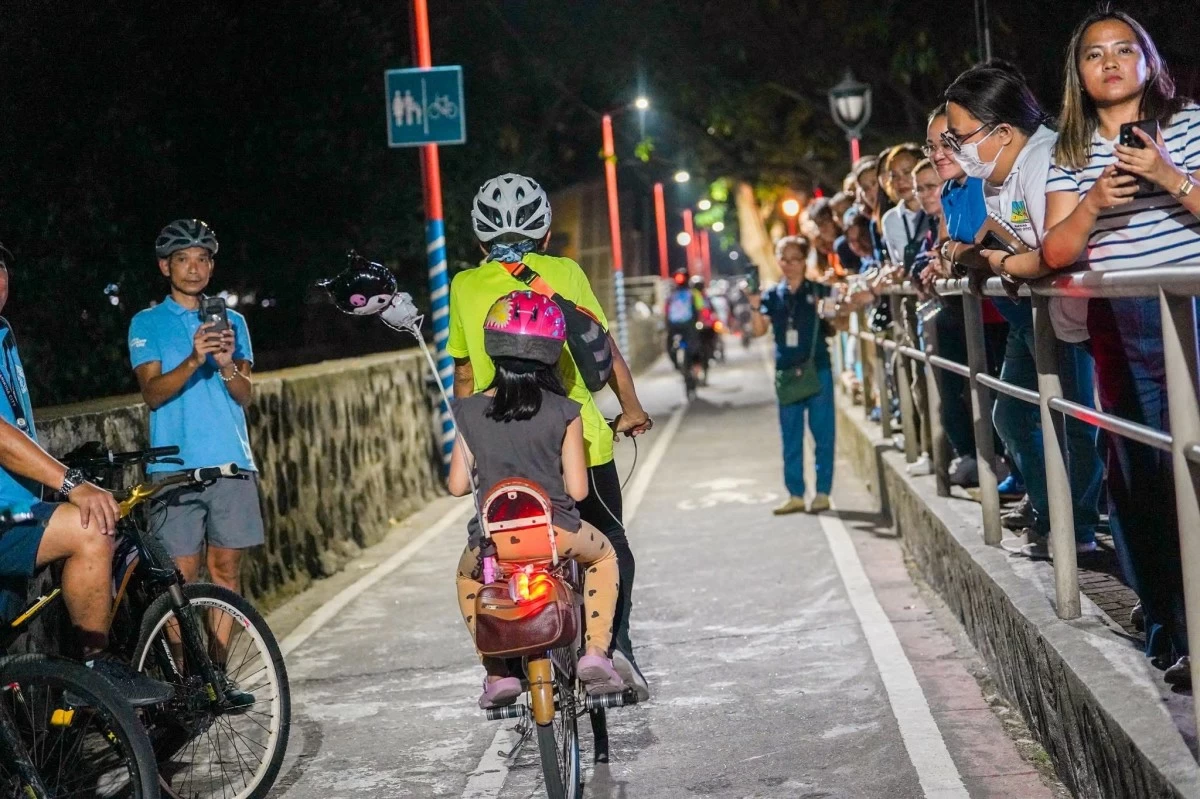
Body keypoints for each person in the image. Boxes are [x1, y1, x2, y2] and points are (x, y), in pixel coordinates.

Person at [1040, 9, 1200, 684]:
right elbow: (1055, 249)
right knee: (1138, 472)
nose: (1109, 61)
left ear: (1148, 59)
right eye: (1093, 54)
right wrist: (1095, 200)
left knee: (1192, 462)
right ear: (1077, 74)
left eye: (1124, 49)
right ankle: (1167, 617)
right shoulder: (1069, 152)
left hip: (1191, 310)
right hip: (1120, 320)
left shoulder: (1188, 122)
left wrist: (1168, 176)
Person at [449, 173, 652, 700]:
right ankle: (611, 649)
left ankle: (508, 665)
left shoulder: (465, 286)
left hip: (498, 445)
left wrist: (468, 434)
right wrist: (631, 410)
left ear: (480, 236)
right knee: (610, 543)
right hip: (575, 435)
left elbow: (466, 377)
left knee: (498, 553)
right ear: (544, 231)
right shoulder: (564, 272)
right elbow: (603, 351)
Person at [0, 241, 171, 706]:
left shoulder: (3, 333)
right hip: (6, 516)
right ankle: (95, 672)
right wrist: (72, 484)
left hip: (17, 510)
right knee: (89, 528)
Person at [945, 62, 1103, 562]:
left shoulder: (1044, 159)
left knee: (1081, 426)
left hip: (1078, 318)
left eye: (960, 136)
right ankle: (1051, 510)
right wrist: (994, 257)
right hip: (1033, 317)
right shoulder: (997, 174)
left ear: (1003, 131)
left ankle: (1076, 527)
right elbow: (1000, 246)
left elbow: (1053, 251)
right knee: (1012, 414)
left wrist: (1000, 258)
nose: (954, 150)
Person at [450, 290, 622, 708]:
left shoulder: (467, 412)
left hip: (493, 544)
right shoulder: (565, 410)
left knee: (467, 579)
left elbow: (457, 486)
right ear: (551, 351)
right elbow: (579, 491)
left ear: (493, 347)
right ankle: (596, 653)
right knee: (604, 558)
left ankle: (496, 672)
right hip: (555, 535)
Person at [129, 220, 264, 596]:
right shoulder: (147, 322)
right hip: (173, 469)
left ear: (211, 265)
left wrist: (224, 363)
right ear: (164, 266)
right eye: (183, 259)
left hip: (231, 464)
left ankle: (217, 659)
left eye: (202, 259)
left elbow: (244, 394)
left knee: (226, 574)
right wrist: (193, 359)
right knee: (179, 579)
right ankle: (183, 657)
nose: (194, 268)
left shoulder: (233, 321)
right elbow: (152, 394)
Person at [748, 236, 835, 515]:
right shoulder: (773, 295)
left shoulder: (820, 290)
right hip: (786, 372)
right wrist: (753, 303)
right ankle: (795, 494)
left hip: (817, 368)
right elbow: (759, 330)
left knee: (823, 435)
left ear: (804, 260)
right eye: (784, 259)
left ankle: (822, 493)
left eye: (796, 259)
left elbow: (838, 322)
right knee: (791, 437)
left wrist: (835, 304)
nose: (789, 265)